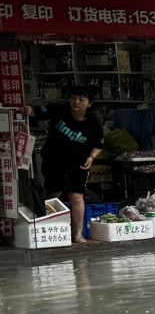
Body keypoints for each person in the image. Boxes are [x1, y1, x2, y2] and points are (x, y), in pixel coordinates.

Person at [42, 87, 103, 245]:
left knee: (76, 196)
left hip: (80, 162)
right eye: (73, 98)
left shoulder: (94, 121)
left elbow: (98, 144)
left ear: (89, 104)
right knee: (53, 193)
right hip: (54, 159)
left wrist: (91, 157)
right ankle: (51, 232)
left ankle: (77, 235)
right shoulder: (60, 110)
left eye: (82, 99)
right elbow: (32, 111)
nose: (76, 102)